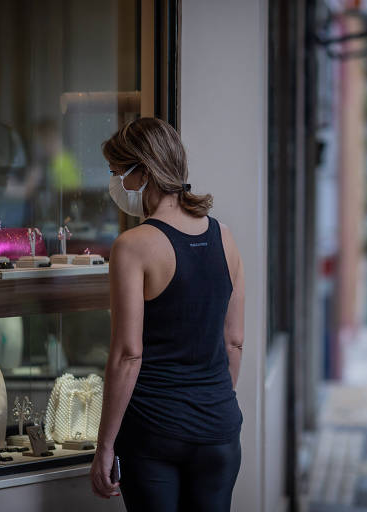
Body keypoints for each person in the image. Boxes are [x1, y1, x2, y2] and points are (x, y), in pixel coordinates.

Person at [90, 118, 245, 511]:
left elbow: (128, 353)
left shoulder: (133, 246)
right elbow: (234, 340)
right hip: (219, 431)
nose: (116, 186)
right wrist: (211, 408)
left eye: (116, 173)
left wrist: (104, 445)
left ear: (143, 171)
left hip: (153, 434)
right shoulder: (224, 236)